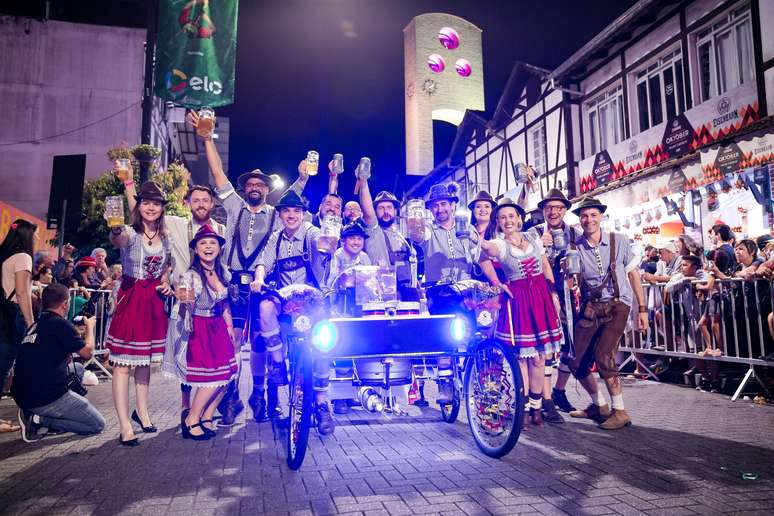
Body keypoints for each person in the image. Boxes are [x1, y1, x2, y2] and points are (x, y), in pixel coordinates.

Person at [189, 109, 309, 424]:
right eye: (251, 184)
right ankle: (231, 397)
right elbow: (217, 175)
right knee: (230, 340)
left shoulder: (275, 213)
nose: (255, 187)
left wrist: (305, 177)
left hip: (261, 285)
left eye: (261, 184)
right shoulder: (233, 206)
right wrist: (207, 141)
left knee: (260, 343)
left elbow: (295, 201)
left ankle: (260, 395)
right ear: (245, 189)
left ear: (268, 190)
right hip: (231, 284)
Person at [121, 163, 228, 423]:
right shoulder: (175, 225)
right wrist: (128, 185)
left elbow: (224, 266)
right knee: (185, 354)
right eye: (196, 200)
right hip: (185, 300)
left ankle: (204, 410)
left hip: (211, 303)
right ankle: (185, 407)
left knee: (215, 357)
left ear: (212, 203)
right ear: (188, 203)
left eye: (205, 200)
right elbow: (145, 209)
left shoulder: (222, 231)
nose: (201, 204)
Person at [250, 190, 335, 434]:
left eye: (296, 211)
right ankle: (277, 365)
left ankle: (321, 404)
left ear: (302, 214)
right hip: (285, 301)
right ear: (280, 215)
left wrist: (328, 245)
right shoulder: (275, 238)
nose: (291, 215)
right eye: (286, 211)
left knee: (322, 346)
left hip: (312, 299)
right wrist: (258, 278)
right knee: (264, 307)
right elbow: (263, 263)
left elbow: (324, 243)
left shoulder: (311, 233)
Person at [480, 197, 564, 426]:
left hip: (541, 298)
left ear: (519, 219)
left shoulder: (533, 237)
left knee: (539, 358)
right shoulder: (500, 244)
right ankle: (524, 408)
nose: (507, 220)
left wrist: (553, 291)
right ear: (497, 222)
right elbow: (484, 254)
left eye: (511, 216)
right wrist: (497, 282)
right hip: (518, 300)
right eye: (502, 217)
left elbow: (545, 264)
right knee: (522, 359)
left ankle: (537, 408)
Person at [566, 197, 648, 430]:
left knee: (603, 355)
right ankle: (599, 405)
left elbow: (634, 276)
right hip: (592, 307)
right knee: (575, 359)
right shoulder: (575, 247)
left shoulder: (619, 241)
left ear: (601, 217)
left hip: (618, 305)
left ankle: (620, 410)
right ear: (580, 220)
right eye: (584, 216)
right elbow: (572, 279)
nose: (588, 220)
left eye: (593, 215)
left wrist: (642, 309)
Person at [106, 181, 173, 446]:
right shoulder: (131, 234)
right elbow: (118, 238)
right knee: (123, 365)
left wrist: (166, 280)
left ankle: (142, 413)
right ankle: (124, 425)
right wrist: (114, 228)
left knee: (144, 362)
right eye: (146, 202)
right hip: (132, 297)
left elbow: (167, 265)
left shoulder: (166, 237)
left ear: (161, 208)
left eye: (156, 203)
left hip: (153, 301)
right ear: (139, 206)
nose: (151, 207)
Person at [164, 225, 238, 440]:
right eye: (203, 243)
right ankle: (191, 419)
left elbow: (224, 304)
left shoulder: (222, 272)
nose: (208, 247)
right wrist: (183, 297)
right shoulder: (192, 275)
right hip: (201, 328)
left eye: (213, 243)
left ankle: (206, 415)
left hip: (219, 329)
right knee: (213, 378)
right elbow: (186, 300)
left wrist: (229, 324)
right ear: (195, 249)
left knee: (228, 377)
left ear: (219, 248)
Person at [12, 284, 105, 442]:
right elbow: (87, 352)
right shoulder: (61, 324)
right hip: (45, 397)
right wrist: (90, 328)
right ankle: (38, 420)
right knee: (97, 424)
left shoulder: (36, 325)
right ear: (65, 304)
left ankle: (35, 412)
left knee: (78, 368)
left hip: (22, 393)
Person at [526, 188, 576, 422]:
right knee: (544, 348)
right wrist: (539, 247)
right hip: (543, 295)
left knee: (571, 347)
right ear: (543, 211)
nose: (553, 212)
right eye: (549, 208)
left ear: (565, 210)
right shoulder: (532, 233)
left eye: (558, 208)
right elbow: (523, 261)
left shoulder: (575, 234)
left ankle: (559, 391)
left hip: (570, 295)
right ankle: (544, 400)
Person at [0, 219, 37, 433]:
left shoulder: (5, 255)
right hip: (11, 317)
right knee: (3, 366)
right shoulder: (23, 257)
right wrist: (31, 322)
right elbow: (22, 292)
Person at [358, 174, 417, 300]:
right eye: (381, 208)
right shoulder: (373, 231)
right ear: (375, 211)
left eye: (389, 207)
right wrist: (363, 182)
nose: (386, 211)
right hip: (382, 292)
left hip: (406, 293)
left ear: (395, 210)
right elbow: (368, 213)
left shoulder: (402, 235)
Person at [408, 182, 479, 285]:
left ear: (452, 205)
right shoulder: (429, 229)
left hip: (465, 287)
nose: (440, 209)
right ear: (431, 210)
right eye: (435, 206)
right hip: (437, 290)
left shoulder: (466, 227)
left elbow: (480, 256)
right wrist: (414, 218)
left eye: (443, 204)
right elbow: (418, 236)